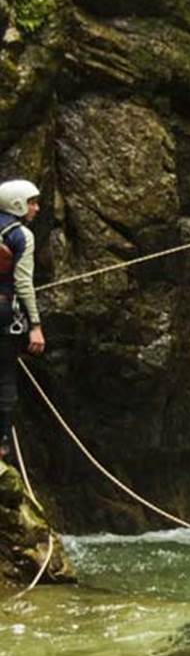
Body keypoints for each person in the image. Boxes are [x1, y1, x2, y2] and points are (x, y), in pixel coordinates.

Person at [0, 180, 43, 464]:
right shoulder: (21, 235)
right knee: (4, 378)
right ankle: (1, 443)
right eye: (31, 202)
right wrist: (35, 326)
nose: (36, 208)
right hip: (3, 313)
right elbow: (23, 282)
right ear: (17, 204)